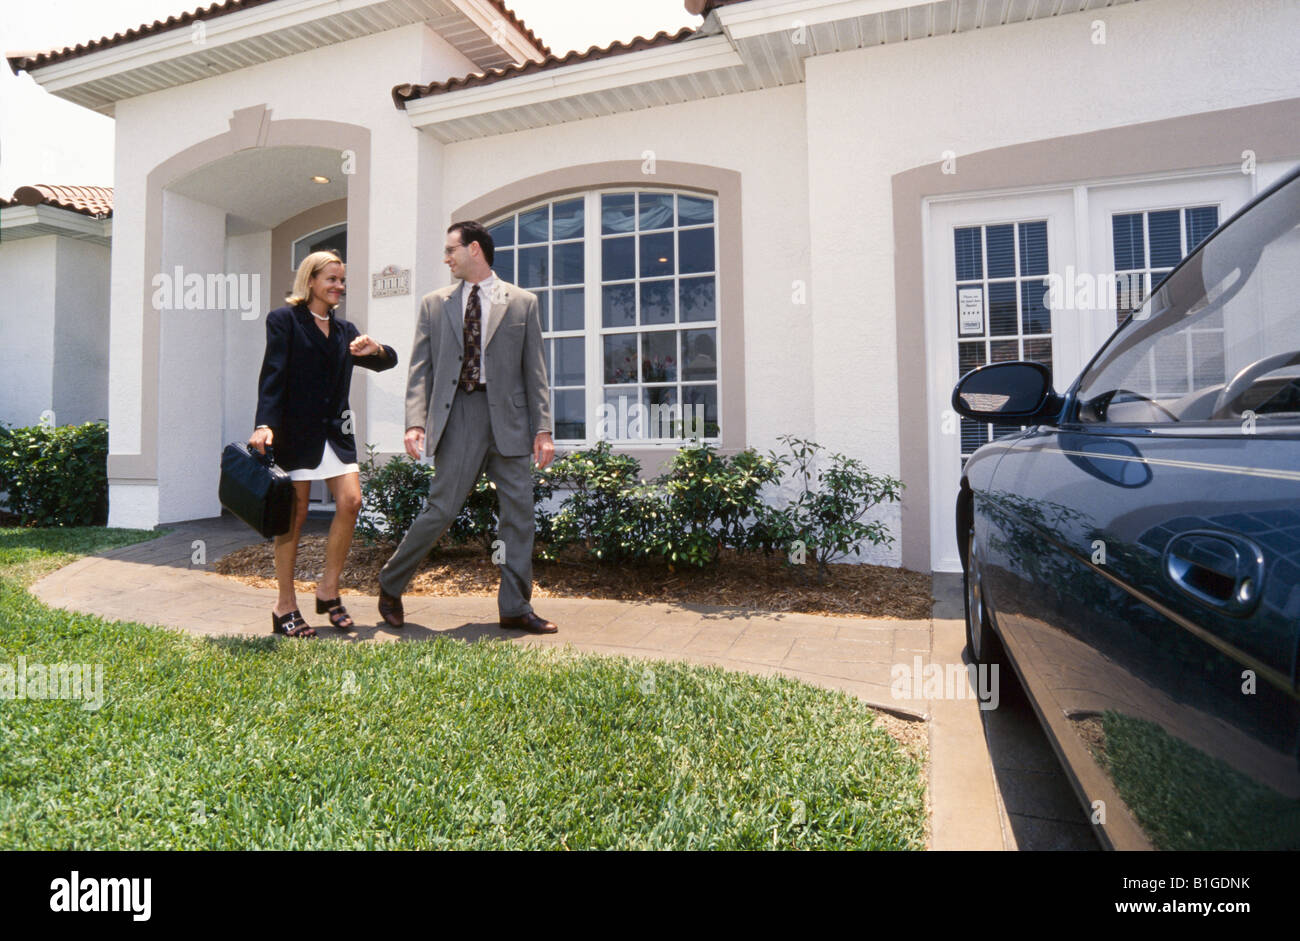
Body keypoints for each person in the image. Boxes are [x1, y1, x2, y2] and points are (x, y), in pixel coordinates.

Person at [376, 221, 557, 633]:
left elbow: (537, 371)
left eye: (450, 250)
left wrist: (542, 428)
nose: (446, 258)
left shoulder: (523, 302)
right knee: (441, 510)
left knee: (519, 515)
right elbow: (421, 369)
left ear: (474, 249)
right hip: (458, 414)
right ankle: (390, 583)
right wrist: (415, 423)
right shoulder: (434, 303)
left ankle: (515, 607)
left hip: (509, 419)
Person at [249, 251, 398, 637]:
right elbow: (273, 376)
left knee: (351, 502)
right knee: (294, 518)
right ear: (310, 280)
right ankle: (284, 606)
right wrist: (264, 424)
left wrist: (375, 349)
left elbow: (387, 362)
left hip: (336, 434)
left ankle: (328, 590)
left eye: (342, 280)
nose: (339, 287)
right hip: (295, 434)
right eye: (332, 279)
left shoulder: (347, 331)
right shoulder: (284, 321)